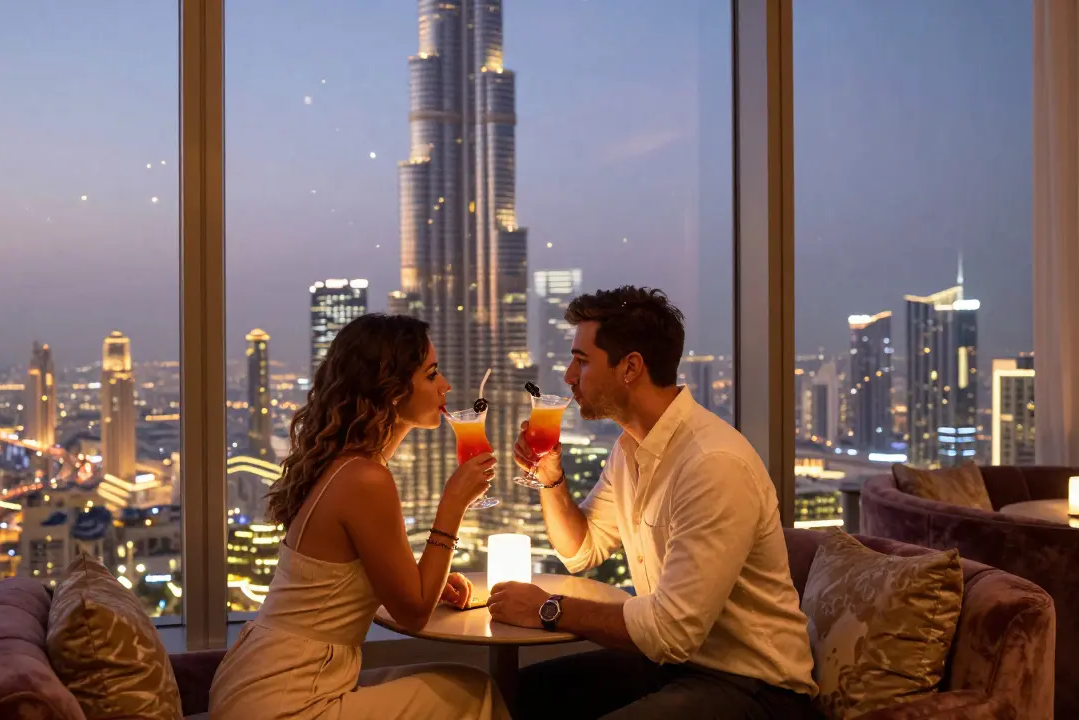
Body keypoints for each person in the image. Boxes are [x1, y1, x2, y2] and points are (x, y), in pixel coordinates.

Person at [487, 287, 818, 719]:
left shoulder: (712, 463)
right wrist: (552, 481)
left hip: (756, 686)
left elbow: (671, 630)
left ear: (631, 367)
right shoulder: (629, 450)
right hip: (674, 665)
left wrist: (548, 609)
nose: (569, 375)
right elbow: (581, 551)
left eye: (582, 361)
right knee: (513, 696)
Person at [210, 313, 510, 720]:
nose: (446, 386)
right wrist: (453, 504)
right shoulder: (366, 479)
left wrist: (425, 579)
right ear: (391, 389)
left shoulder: (343, 465)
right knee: (474, 694)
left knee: (459, 683)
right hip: (288, 696)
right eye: (431, 374)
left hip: (258, 679)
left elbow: (360, 588)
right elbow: (415, 613)